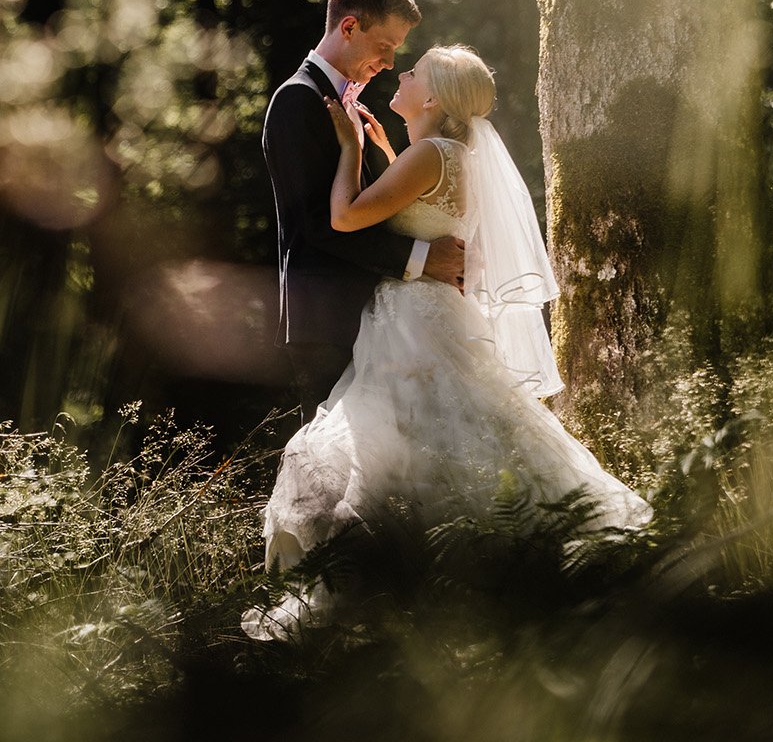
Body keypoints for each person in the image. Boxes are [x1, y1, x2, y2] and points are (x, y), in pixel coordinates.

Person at [243, 45, 652, 641]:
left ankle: (408, 590)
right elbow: (422, 207)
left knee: (401, 440)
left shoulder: (430, 153)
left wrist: (355, 150)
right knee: (457, 430)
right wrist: (387, 153)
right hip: (430, 312)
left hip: (411, 320)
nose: (401, 74)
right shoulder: (450, 153)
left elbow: (346, 218)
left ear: (431, 98)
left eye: (412, 73)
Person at [263, 0, 466, 419]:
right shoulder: (298, 100)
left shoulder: (352, 106)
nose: (392, 63)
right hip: (327, 317)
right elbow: (316, 224)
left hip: (379, 315)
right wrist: (420, 259)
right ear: (350, 27)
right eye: (386, 46)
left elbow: (377, 205)